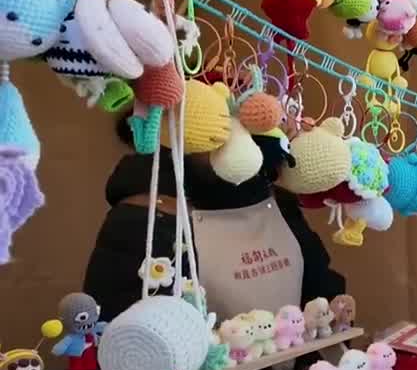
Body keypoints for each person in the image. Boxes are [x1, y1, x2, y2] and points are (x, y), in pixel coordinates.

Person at [84, 114, 344, 336]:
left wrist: (333, 314)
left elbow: (318, 285)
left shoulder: (276, 201)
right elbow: (126, 341)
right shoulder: (143, 221)